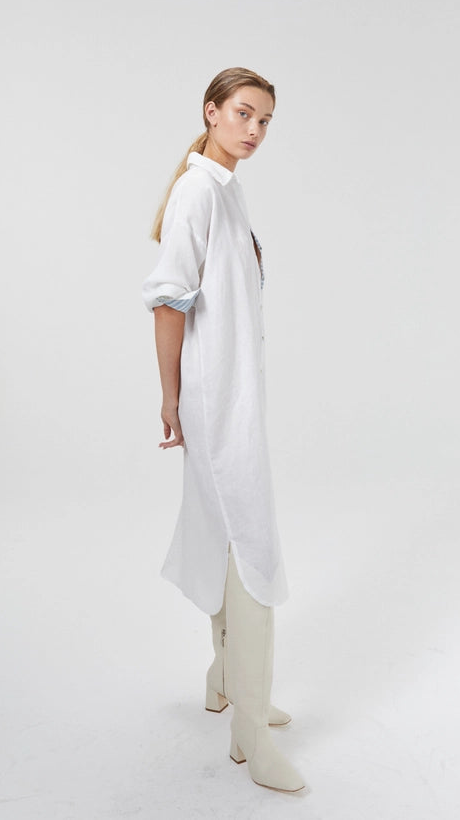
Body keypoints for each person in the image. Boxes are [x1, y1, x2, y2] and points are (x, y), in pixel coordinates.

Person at [142, 67, 304, 793]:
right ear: (211, 112)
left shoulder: (226, 189)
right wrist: (171, 398)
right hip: (215, 404)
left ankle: (225, 679)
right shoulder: (196, 192)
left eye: (265, 120)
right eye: (243, 113)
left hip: (236, 397)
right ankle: (249, 734)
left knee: (225, 537)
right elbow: (167, 301)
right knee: (252, 548)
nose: (255, 130)